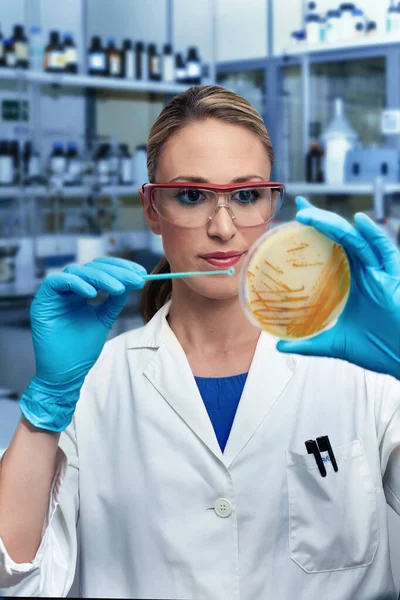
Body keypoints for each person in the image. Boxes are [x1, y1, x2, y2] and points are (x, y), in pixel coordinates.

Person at [0, 85, 400, 600]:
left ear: (272, 205)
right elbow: (14, 578)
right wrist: (46, 406)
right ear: (152, 208)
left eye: (246, 195)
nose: (223, 226)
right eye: (192, 196)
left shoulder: (365, 373)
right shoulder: (91, 383)